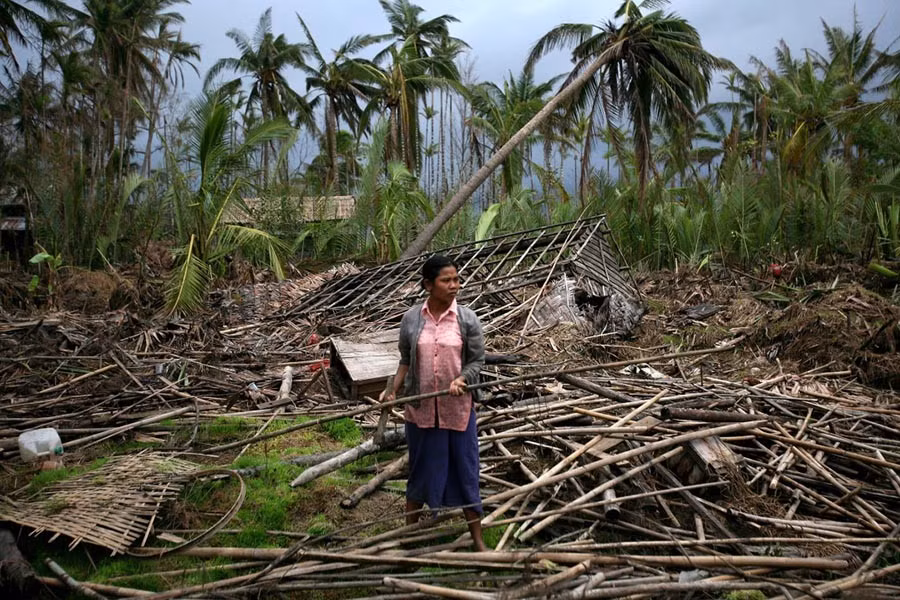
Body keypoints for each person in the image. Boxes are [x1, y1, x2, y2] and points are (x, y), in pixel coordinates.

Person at [380, 254, 487, 551]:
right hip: (421, 412)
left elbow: (477, 360)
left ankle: (478, 541)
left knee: (466, 472)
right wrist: (392, 391)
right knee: (420, 472)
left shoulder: (467, 319)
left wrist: (462, 379)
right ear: (428, 285)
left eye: (456, 279)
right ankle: (409, 538)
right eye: (446, 280)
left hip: (458, 411)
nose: (454, 285)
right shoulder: (412, 319)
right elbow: (405, 361)